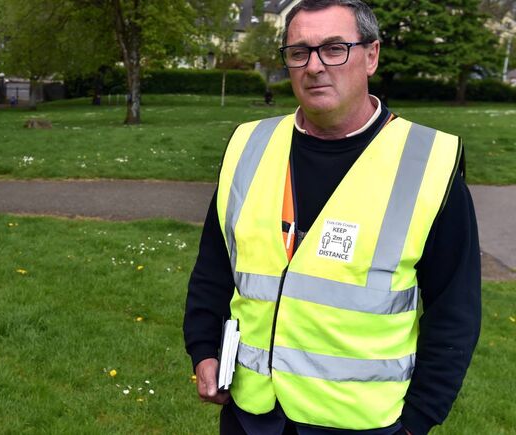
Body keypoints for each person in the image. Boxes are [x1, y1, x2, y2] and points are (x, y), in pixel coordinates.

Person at [183, 1, 481, 435]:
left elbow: (455, 309)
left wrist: (418, 420)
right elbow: (214, 267)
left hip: (362, 422)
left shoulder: (428, 163)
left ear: (371, 56)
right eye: (299, 52)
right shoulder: (249, 146)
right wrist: (204, 349)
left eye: (334, 48)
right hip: (251, 414)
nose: (315, 66)